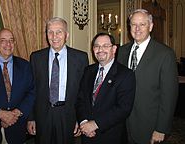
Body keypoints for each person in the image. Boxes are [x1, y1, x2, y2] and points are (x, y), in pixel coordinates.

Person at [117, 9, 178, 144]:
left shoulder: (165, 54)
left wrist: (161, 128)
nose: (137, 29)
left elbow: (169, 95)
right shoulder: (121, 51)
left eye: (142, 24)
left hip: (149, 127)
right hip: (122, 125)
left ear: (150, 27)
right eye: (133, 24)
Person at [27, 17, 89, 144]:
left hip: (69, 114)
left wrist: (80, 118)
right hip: (43, 115)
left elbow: (83, 92)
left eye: (59, 32)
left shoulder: (81, 58)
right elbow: (32, 89)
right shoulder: (36, 57)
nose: (54, 36)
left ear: (66, 35)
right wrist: (31, 118)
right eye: (50, 32)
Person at [76, 32, 136, 144]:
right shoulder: (88, 71)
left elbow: (124, 108)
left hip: (111, 135)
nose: (100, 49)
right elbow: (81, 99)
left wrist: (95, 124)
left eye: (105, 46)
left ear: (114, 49)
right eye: (97, 46)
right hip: (87, 134)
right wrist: (84, 122)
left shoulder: (126, 74)